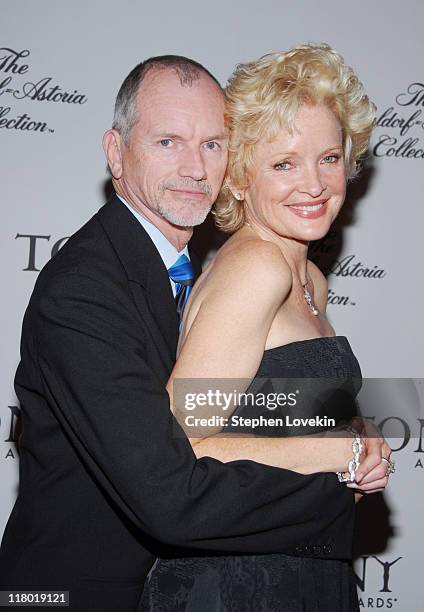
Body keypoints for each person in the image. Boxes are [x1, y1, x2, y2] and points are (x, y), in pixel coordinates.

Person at [0, 55, 388, 612]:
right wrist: (339, 472)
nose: (195, 166)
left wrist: (344, 423)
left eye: (211, 144)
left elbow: (255, 411)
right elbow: (172, 483)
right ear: (115, 151)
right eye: (167, 142)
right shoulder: (84, 287)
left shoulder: (239, 271)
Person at [140, 45, 393, 611]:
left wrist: (355, 428)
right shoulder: (255, 267)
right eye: (283, 163)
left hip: (298, 560)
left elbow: (272, 410)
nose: (314, 183)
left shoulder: (305, 276)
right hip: (237, 582)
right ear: (237, 179)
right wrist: (338, 453)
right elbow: (182, 447)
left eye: (329, 157)